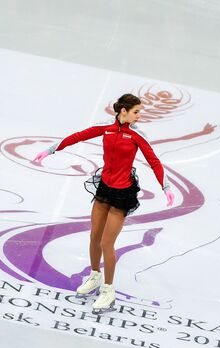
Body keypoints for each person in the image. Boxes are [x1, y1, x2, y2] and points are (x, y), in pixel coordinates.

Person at [32, 93, 174, 314]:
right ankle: (95, 276)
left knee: (107, 243)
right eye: (136, 112)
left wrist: (165, 187)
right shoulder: (106, 128)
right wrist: (50, 150)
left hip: (123, 194)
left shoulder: (138, 136)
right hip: (104, 188)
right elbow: (78, 136)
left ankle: (108, 291)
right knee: (94, 237)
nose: (139, 116)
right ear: (123, 111)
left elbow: (154, 161)